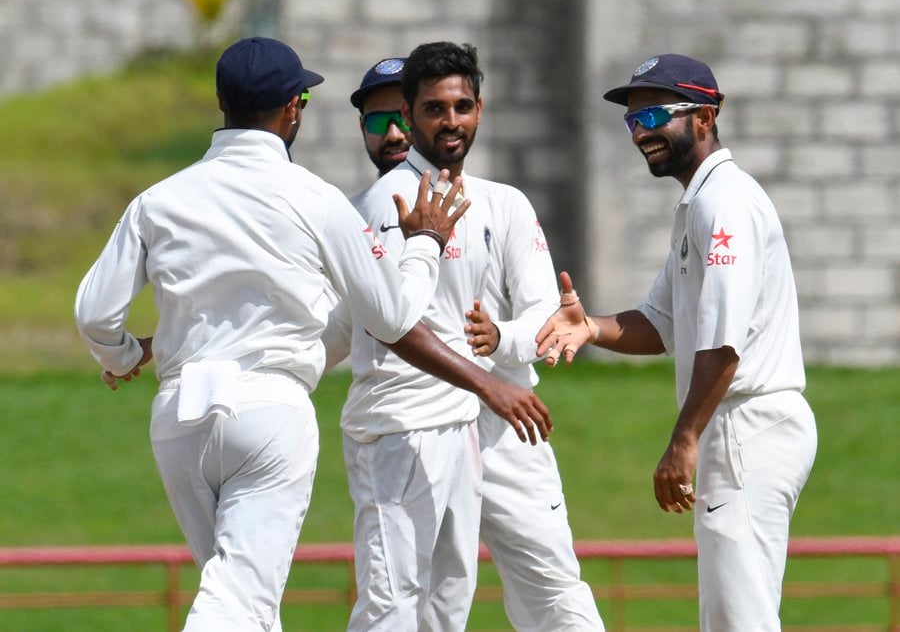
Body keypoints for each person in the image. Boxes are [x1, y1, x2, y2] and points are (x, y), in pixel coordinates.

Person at [74, 36, 546, 632]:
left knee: (240, 590)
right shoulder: (318, 200)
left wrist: (121, 354)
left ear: (221, 100)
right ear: (295, 106)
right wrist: (424, 245)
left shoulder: (157, 200)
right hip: (269, 411)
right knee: (238, 601)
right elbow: (393, 317)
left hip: (179, 413)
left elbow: (94, 313)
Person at [536, 53, 817, 631]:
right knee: (733, 615)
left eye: (657, 115)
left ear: (706, 117)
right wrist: (591, 326)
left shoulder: (725, 203)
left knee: (742, 619)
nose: (643, 132)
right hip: (739, 426)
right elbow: (662, 323)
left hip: (745, 424)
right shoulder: (697, 205)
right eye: (633, 121)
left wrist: (683, 440)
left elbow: (723, 343)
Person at [335, 42, 599, 631]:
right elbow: (357, 324)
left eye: (461, 107)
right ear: (411, 115)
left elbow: (545, 316)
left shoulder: (503, 204)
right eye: (434, 108)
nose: (450, 121)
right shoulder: (376, 206)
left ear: (479, 109)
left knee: (551, 588)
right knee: (408, 603)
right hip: (417, 424)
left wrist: (499, 337)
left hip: (509, 423)